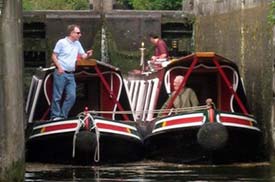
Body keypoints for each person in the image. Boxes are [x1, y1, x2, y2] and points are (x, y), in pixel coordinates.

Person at [50, 24, 93, 120]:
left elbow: (83, 56)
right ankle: (55, 116)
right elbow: (54, 56)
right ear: (71, 33)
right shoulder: (61, 42)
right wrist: (59, 67)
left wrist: (88, 54)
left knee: (72, 96)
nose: (80, 35)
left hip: (70, 74)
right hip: (60, 72)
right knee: (57, 96)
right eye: (78, 33)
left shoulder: (77, 44)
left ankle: (62, 116)